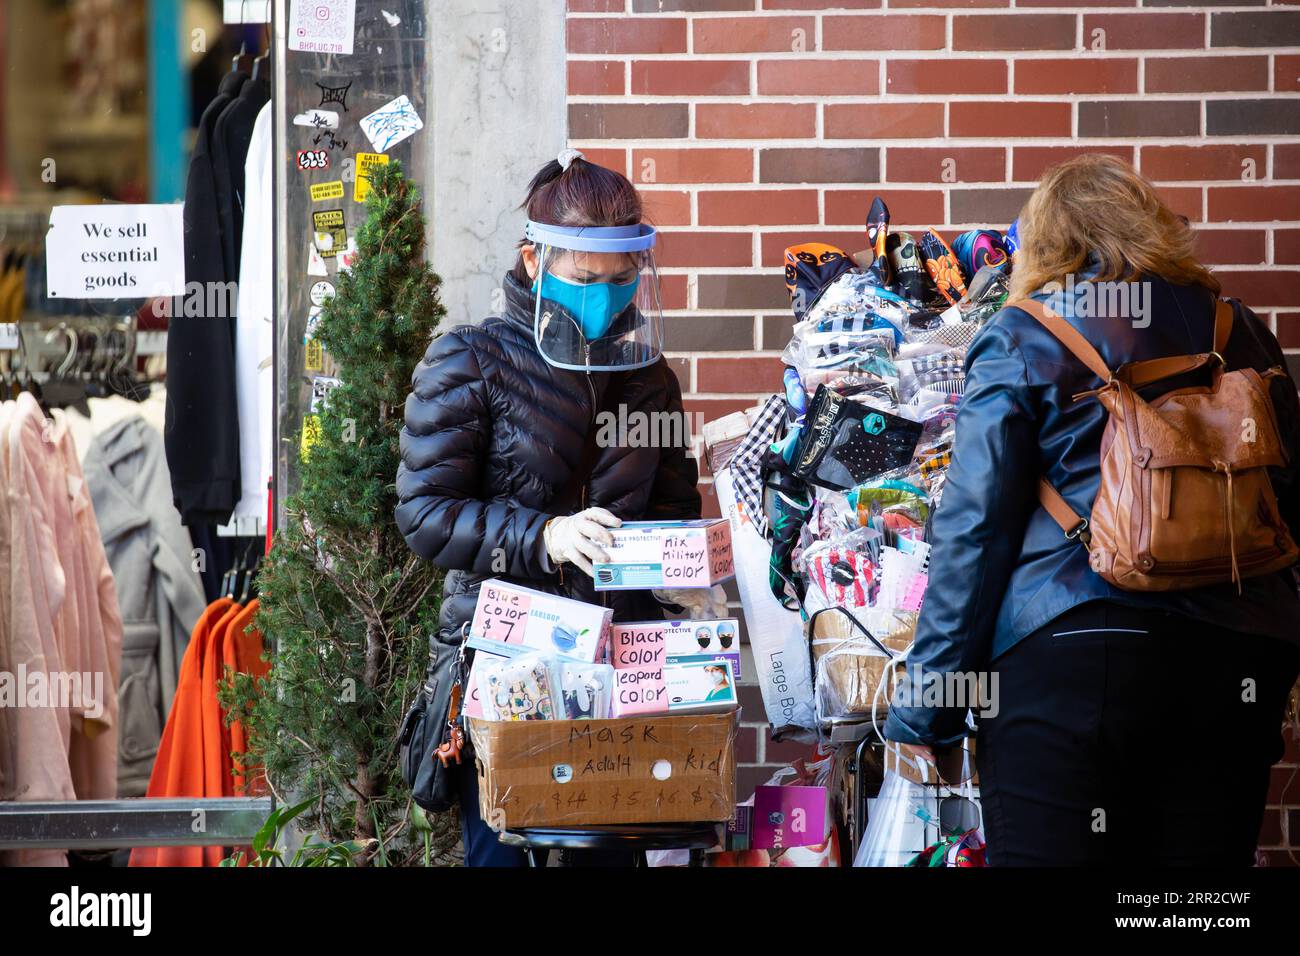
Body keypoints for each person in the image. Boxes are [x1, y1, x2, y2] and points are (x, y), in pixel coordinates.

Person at [884, 154, 1300, 866]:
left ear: (1044, 242)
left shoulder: (1025, 333)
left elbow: (974, 533)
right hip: (1236, 656)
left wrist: (927, 706)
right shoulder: (1239, 328)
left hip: (1073, 655)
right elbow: (1285, 499)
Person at [396, 149, 711, 866]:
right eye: (584, 278)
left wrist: (688, 573)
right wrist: (545, 536)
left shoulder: (649, 380)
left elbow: (673, 508)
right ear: (534, 262)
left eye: (622, 279)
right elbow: (423, 512)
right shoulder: (470, 362)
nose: (606, 294)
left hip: (620, 670)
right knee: (505, 854)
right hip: (505, 673)